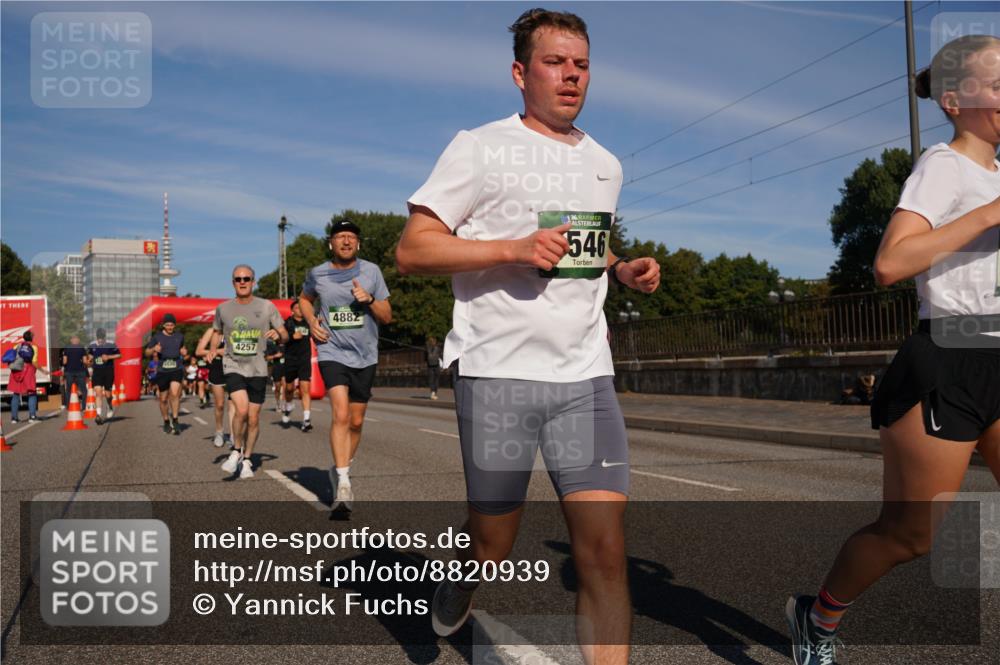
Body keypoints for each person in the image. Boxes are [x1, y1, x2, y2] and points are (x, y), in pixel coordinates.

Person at [395, 9, 660, 664]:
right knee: (493, 540)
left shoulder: (606, 163)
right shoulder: (480, 147)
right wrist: (513, 248)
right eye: (554, 62)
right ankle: (463, 575)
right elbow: (413, 249)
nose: (571, 76)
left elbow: (585, 245)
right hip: (499, 374)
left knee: (603, 551)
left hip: (584, 377)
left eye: (581, 65)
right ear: (520, 72)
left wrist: (620, 268)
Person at [786, 34, 1000, 665]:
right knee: (910, 536)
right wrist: (989, 214)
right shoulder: (944, 165)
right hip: (949, 361)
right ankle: (817, 619)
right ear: (955, 100)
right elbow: (890, 263)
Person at [300, 219, 391, 513]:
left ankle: (341, 466)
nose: (346, 241)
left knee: (356, 421)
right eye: (340, 236)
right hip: (332, 350)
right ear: (331, 243)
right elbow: (304, 299)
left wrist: (369, 299)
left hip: (365, 354)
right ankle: (343, 483)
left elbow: (387, 316)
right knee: (340, 413)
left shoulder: (371, 271)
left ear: (358, 243)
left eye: (351, 237)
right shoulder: (318, 273)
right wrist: (312, 321)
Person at [211, 265, 287, 479]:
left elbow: (285, 334)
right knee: (241, 409)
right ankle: (236, 450)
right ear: (233, 282)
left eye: (246, 278)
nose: (242, 282)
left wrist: (279, 336)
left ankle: (247, 458)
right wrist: (213, 348)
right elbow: (216, 331)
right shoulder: (223, 308)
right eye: (238, 279)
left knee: (253, 419)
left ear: (253, 281)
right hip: (233, 365)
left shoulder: (266, 306)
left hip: (258, 368)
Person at [145, 313, 187, 435]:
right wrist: (153, 349)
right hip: (163, 370)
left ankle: (175, 420)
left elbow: (182, 349)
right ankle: (166, 421)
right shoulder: (157, 337)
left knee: (174, 394)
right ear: (163, 325)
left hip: (176, 368)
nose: (170, 327)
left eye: (172, 325)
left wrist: (184, 352)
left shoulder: (179, 336)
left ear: (175, 325)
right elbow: (147, 352)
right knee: (163, 399)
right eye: (167, 325)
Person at [196, 327, 233, 448]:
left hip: (234, 366)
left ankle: (233, 435)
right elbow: (199, 351)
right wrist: (217, 351)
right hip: (217, 367)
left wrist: (221, 351)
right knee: (220, 404)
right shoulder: (212, 331)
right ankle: (219, 432)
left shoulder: (235, 328)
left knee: (233, 405)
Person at [282, 300, 314, 431]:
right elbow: (280, 338)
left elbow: (316, 332)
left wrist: (319, 325)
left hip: (304, 359)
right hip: (290, 359)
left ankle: (306, 420)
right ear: (292, 311)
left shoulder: (309, 322)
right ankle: (288, 405)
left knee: (305, 388)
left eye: (301, 307)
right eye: (297, 307)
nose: (300, 309)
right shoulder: (287, 323)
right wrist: (291, 336)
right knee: (289, 389)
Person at [86, 329, 121, 424]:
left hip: (108, 371)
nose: (100, 340)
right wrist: (89, 359)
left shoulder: (111, 344)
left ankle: (109, 405)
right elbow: (90, 355)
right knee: (98, 392)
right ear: (96, 337)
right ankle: (98, 415)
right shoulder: (92, 345)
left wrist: (109, 357)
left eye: (102, 338)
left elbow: (119, 355)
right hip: (97, 372)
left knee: (108, 394)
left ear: (105, 337)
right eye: (98, 338)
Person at [8, 331, 40, 423]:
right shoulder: (33, 347)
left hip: (16, 371)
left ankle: (14, 418)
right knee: (32, 393)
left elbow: (12, 358)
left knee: (16, 393)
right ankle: (32, 416)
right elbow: (34, 361)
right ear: (31, 337)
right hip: (28, 371)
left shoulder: (16, 346)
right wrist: (42, 370)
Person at [61, 334, 89, 408]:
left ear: (71, 340)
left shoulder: (67, 348)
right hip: (80, 371)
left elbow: (64, 361)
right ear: (78, 340)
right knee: (84, 390)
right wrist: (88, 363)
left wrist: (64, 367)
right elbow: (85, 361)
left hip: (69, 371)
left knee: (68, 390)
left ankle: (69, 406)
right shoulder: (82, 348)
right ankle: (84, 406)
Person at [266, 339, 286, 414]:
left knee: (285, 386)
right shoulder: (272, 345)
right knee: (277, 387)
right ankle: (278, 403)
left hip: (285, 368)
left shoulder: (287, 345)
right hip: (276, 368)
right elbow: (266, 358)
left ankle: (283, 404)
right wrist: (275, 356)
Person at [425, 336, 442, 400]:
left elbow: (425, 358)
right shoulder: (438, 348)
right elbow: (441, 356)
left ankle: (433, 392)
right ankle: (434, 392)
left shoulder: (427, 349)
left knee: (432, 380)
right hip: (436, 365)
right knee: (435, 380)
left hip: (430, 366)